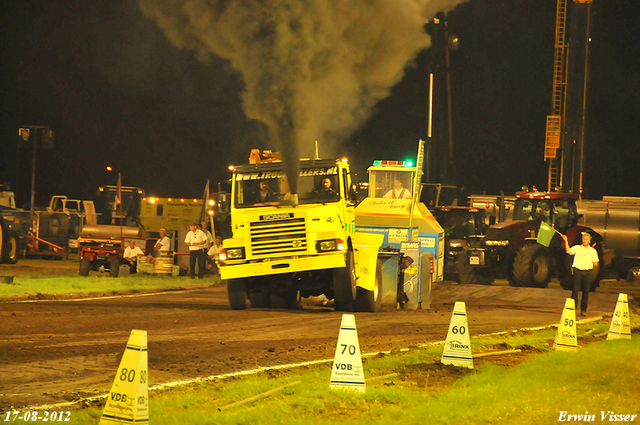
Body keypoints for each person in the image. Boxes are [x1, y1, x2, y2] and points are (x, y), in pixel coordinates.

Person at [562, 231, 599, 316]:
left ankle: (583, 310)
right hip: (578, 271)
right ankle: (573, 308)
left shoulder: (593, 251)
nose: (584, 241)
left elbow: (596, 262)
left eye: (586, 239)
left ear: (589, 241)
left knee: (586, 291)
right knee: (575, 290)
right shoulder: (577, 248)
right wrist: (566, 241)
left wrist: (593, 263)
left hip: (588, 272)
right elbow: (568, 251)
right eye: (583, 239)